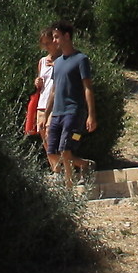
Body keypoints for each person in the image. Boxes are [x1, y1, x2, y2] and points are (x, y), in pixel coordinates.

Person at [43, 20, 97, 188]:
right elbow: (53, 90)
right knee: (52, 152)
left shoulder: (81, 59)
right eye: (53, 37)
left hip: (74, 111)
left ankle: (69, 187)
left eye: (57, 37)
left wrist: (91, 114)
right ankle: (84, 165)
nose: (55, 41)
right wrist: (46, 114)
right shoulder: (57, 63)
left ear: (67, 36)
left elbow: (87, 87)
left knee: (65, 150)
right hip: (57, 113)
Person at [25, 28, 55, 152]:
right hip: (42, 104)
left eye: (48, 43)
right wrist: (37, 82)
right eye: (44, 44)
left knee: (52, 138)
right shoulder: (42, 61)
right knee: (46, 143)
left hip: (54, 104)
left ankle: (71, 165)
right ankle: (56, 169)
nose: (46, 46)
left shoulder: (63, 60)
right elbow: (42, 82)